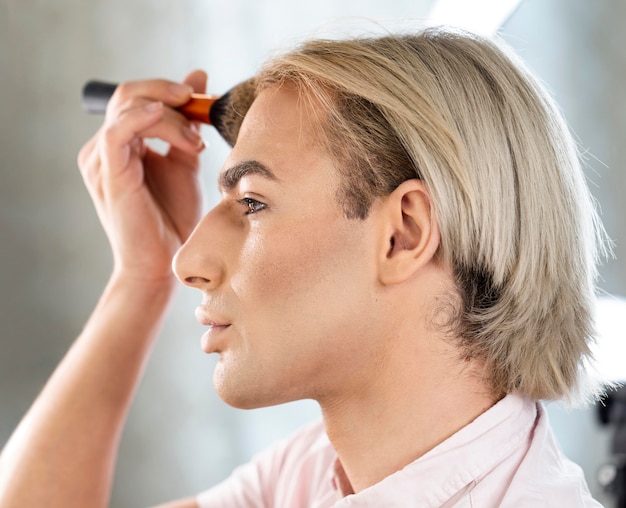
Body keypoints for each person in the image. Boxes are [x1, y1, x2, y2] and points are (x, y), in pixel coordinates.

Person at [0, 26, 608, 507]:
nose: (189, 260)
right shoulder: (310, 476)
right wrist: (139, 278)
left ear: (404, 233)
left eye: (253, 203)